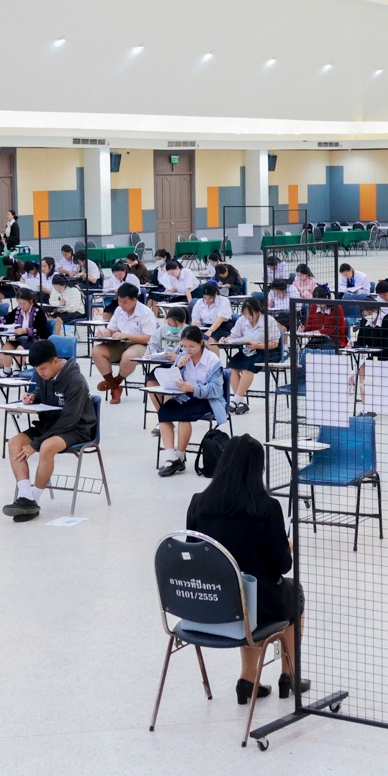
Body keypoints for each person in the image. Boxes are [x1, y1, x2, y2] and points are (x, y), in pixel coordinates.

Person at [185, 433, 302, 703]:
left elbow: (194, 555)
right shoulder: (267, 508)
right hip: (253, 603)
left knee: (242, 596)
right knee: (294, 594)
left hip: (208, 602)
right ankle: (290, 675)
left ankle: (248, 680)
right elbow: (282, 567)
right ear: (258, 468)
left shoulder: (198, 503)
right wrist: (287, 548)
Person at [4, 338, 99, 522]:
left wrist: (35, 444)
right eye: (37, 370)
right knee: (14, 442)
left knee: (46, 447)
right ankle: (26, 497)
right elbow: (43, 393)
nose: (40, 374)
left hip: (76, 429)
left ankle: (33, 502)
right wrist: (33, 397)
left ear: (56, 361)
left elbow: (68, 421)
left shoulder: (76, 381)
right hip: (48, 425)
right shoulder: (43, 373)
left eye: (43, 369)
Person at [154, 326, 224, 475]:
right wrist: (178, 367)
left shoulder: (212, 360)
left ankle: (180, 455)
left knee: (183, 416)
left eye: (191, 346)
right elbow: (173, 380)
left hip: (206, 399)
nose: (188, 350)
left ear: (201, 343)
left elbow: (216, 390)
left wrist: (193, 388)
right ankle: (171, 456)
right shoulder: (182, 356)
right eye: (184, 346)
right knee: (163, 412)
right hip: (185, 396)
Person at [92, 282, 154, 400]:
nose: (121, 305)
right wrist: (104, 333)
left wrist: (126, 335)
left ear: (134, 300)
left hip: (140, 344)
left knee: (128, 356)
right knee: (97, 351)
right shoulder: (118, 310)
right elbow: (111, 329)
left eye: (125, 302)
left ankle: (116, 382)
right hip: (120, 343)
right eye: (119, 301)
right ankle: (114, 387)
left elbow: (148, 338)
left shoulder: (146, 312)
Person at [222, 295, 282, 414]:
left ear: (257, 311)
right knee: (232, 366)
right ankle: (242, 402)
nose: (247, 317)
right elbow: (234, 335)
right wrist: (226, 339)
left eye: (250, 314)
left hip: (268, 350)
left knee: (248, 367)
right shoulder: (242, 320)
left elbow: (275, 343)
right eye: (245, 314)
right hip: (249, 349)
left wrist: (258, 346)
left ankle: (235, 400)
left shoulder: (269, 320)